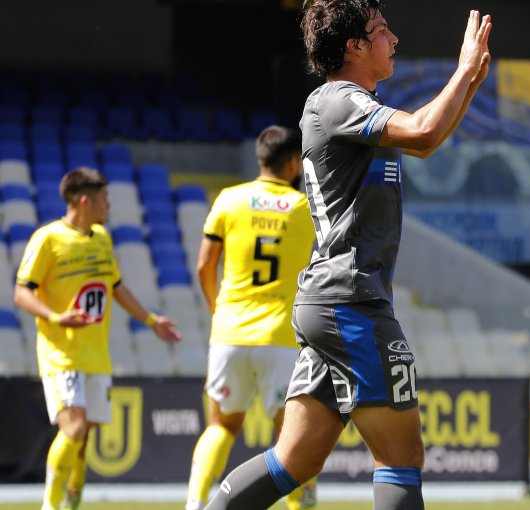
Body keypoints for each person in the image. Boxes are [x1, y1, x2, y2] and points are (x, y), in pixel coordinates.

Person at [205, 1, 491, 509]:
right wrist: (463, 70)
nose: (395, 40)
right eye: (382, 31)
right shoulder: (338, 100)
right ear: (355, 47)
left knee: (295, 460)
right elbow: (423, 133)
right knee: (401, 455)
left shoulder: (351, 108)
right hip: (351, 303)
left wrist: (468, 83)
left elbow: (428, 136)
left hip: (335, 302)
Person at [14, 167, 181, 510]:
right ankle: (50, 504)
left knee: (83, 437)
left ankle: (71, 505)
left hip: (96, 354)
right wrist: (56, 317)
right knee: (73, 429)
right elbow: (21, 292)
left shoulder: (102, 238)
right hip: (62, 352)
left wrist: (150, 320)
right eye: (104, 199)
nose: (109, 205)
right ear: (85, 200)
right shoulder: (47, 239)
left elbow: (116, 288)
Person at [185, 126, 318, 510]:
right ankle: (301, 508)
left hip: (230, 333)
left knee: (221, 426)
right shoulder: (303, 208)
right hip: (281, 338)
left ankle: (195, 504)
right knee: (293, 437)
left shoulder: (229, 200)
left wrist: (217, 308)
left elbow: (204, 266)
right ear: (293, 163)